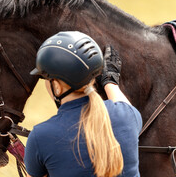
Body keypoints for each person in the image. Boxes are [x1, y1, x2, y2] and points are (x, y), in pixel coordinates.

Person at [24, 31, 142, 177]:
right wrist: (109, 81)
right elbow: (122, 104)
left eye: (45, 78)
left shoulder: (40, 136)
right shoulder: (127, 115)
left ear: (57, 87)